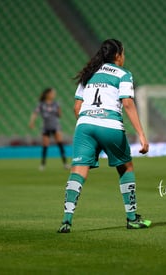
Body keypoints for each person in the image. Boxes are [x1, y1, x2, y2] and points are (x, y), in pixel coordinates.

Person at [57, 39, 151, 233]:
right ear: (118, 55)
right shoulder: (124, 74)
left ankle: (66, 220)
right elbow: (127, 103)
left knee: (78, 170)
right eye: (123, 53)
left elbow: (77, 107)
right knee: (126, 166)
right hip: (110, 124)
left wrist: (89, 125)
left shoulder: (88, 74)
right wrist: (141, 134)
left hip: (84, 125)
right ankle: (132, 218)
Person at [29, 88, 69, 170]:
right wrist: (32, 122)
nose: (54, 95)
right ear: (47, 94)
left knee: (60, 144)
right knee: (45, 145)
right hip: (46, 127)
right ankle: (43, 164)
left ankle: (65, 163)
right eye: (52, 93)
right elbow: (35, 113)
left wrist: (59, 111)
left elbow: (59, 115)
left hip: (55, 126)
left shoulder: (56, 104)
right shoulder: (41, 104)